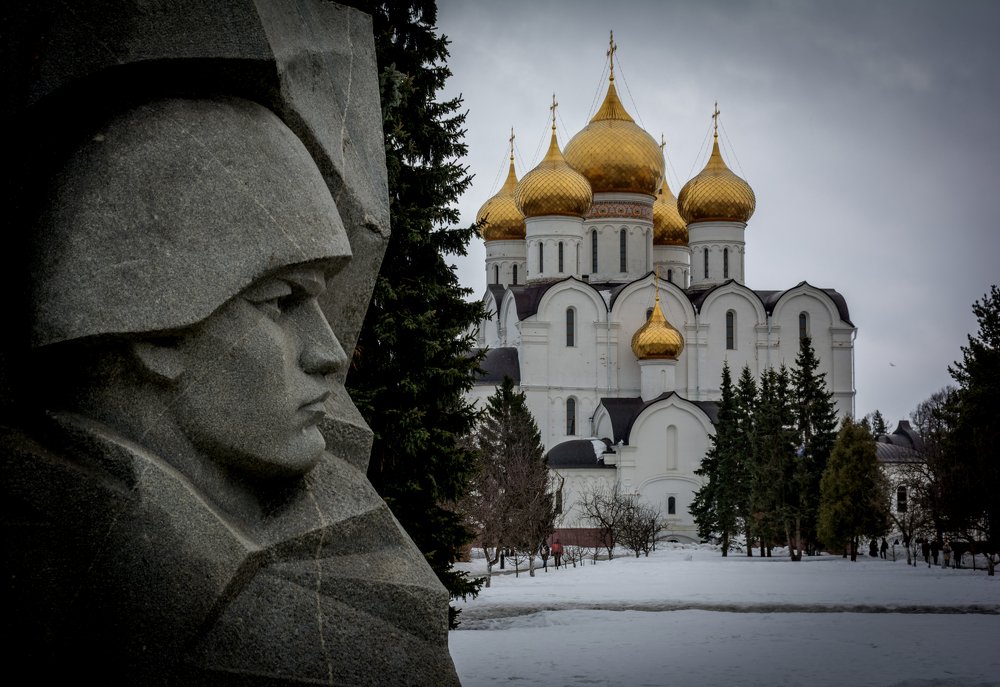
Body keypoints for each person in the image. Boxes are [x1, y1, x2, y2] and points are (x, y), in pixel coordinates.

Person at [3, 97, 459, 685]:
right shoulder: (48, 563)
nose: (328, 353)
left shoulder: (348, 552)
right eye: (281, 302)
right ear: (155, 327)